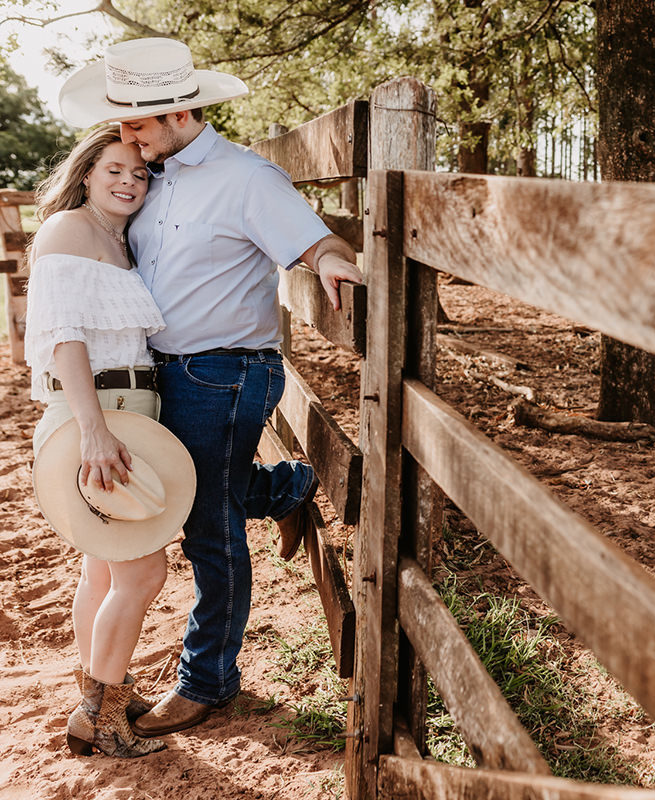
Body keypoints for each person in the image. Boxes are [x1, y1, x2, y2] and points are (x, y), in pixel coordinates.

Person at [57, 37, 364, 737]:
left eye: (137, 121)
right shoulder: (151, 176)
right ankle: (284, 488)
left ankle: (208, 682)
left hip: (225, 370)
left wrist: (334, 263)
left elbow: (316, 242)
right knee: (194, 494)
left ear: (180, 112)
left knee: (207, 528)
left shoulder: (247, 178)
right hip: (161, 371)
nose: (127, 134)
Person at [25, 125, 178, 757]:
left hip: (127, 409)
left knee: (102, 567)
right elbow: (65, 337)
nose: (129, 181)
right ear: (86, 173)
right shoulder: (68, 230)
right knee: (144, 571)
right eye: (114, 169)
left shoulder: (121, 241)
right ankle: (102, 715)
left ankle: (97, 683)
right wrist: (93, 431)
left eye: (140, 173)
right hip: (98, 415)